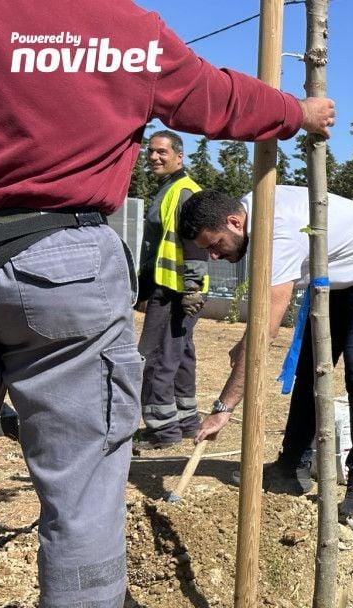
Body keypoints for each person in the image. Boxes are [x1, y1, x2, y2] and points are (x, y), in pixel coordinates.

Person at [0, 3, 334, 608]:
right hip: (63, 259)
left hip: (78, 267)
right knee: (83, 494)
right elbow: (219, 98)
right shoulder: (120, 30)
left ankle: (170, 423)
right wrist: (296, 112)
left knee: (169, 368)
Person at [181, 187, 353, 524]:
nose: (214, 256)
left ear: (234, 222)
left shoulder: (276, 231)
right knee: (310, 367)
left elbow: (264, 332)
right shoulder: (256, 211)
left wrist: (223, 409)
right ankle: (291, 467)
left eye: (215, 244)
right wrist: (248, 342)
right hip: (341, 276)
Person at [134, 129, 209, 451]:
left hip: (175, 292)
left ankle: (162, 431)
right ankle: (186, 421)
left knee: (155, 357)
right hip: (171, 289)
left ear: (179, 156)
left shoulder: (183, 191)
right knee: (180, 356)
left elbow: (195, 240)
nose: (154, 157)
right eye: (150, 151)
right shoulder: (170, 189)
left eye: (162, 152)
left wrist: (191, 287)